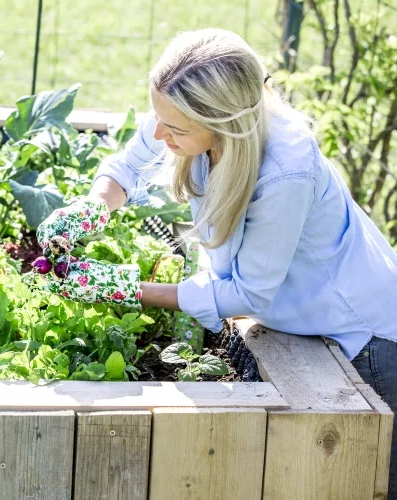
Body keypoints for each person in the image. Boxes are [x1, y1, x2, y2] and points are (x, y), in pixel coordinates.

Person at [35, 28, 397, 497]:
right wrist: (91, 209)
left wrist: (124, 288)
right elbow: (128, 166)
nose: (160, 133)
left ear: (224, 124)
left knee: (363, 485)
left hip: (360, 339)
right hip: (301, 322)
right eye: (160, 118)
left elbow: (247, 294)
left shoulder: (285, 171)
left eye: (176, 129)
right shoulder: (186, 114)